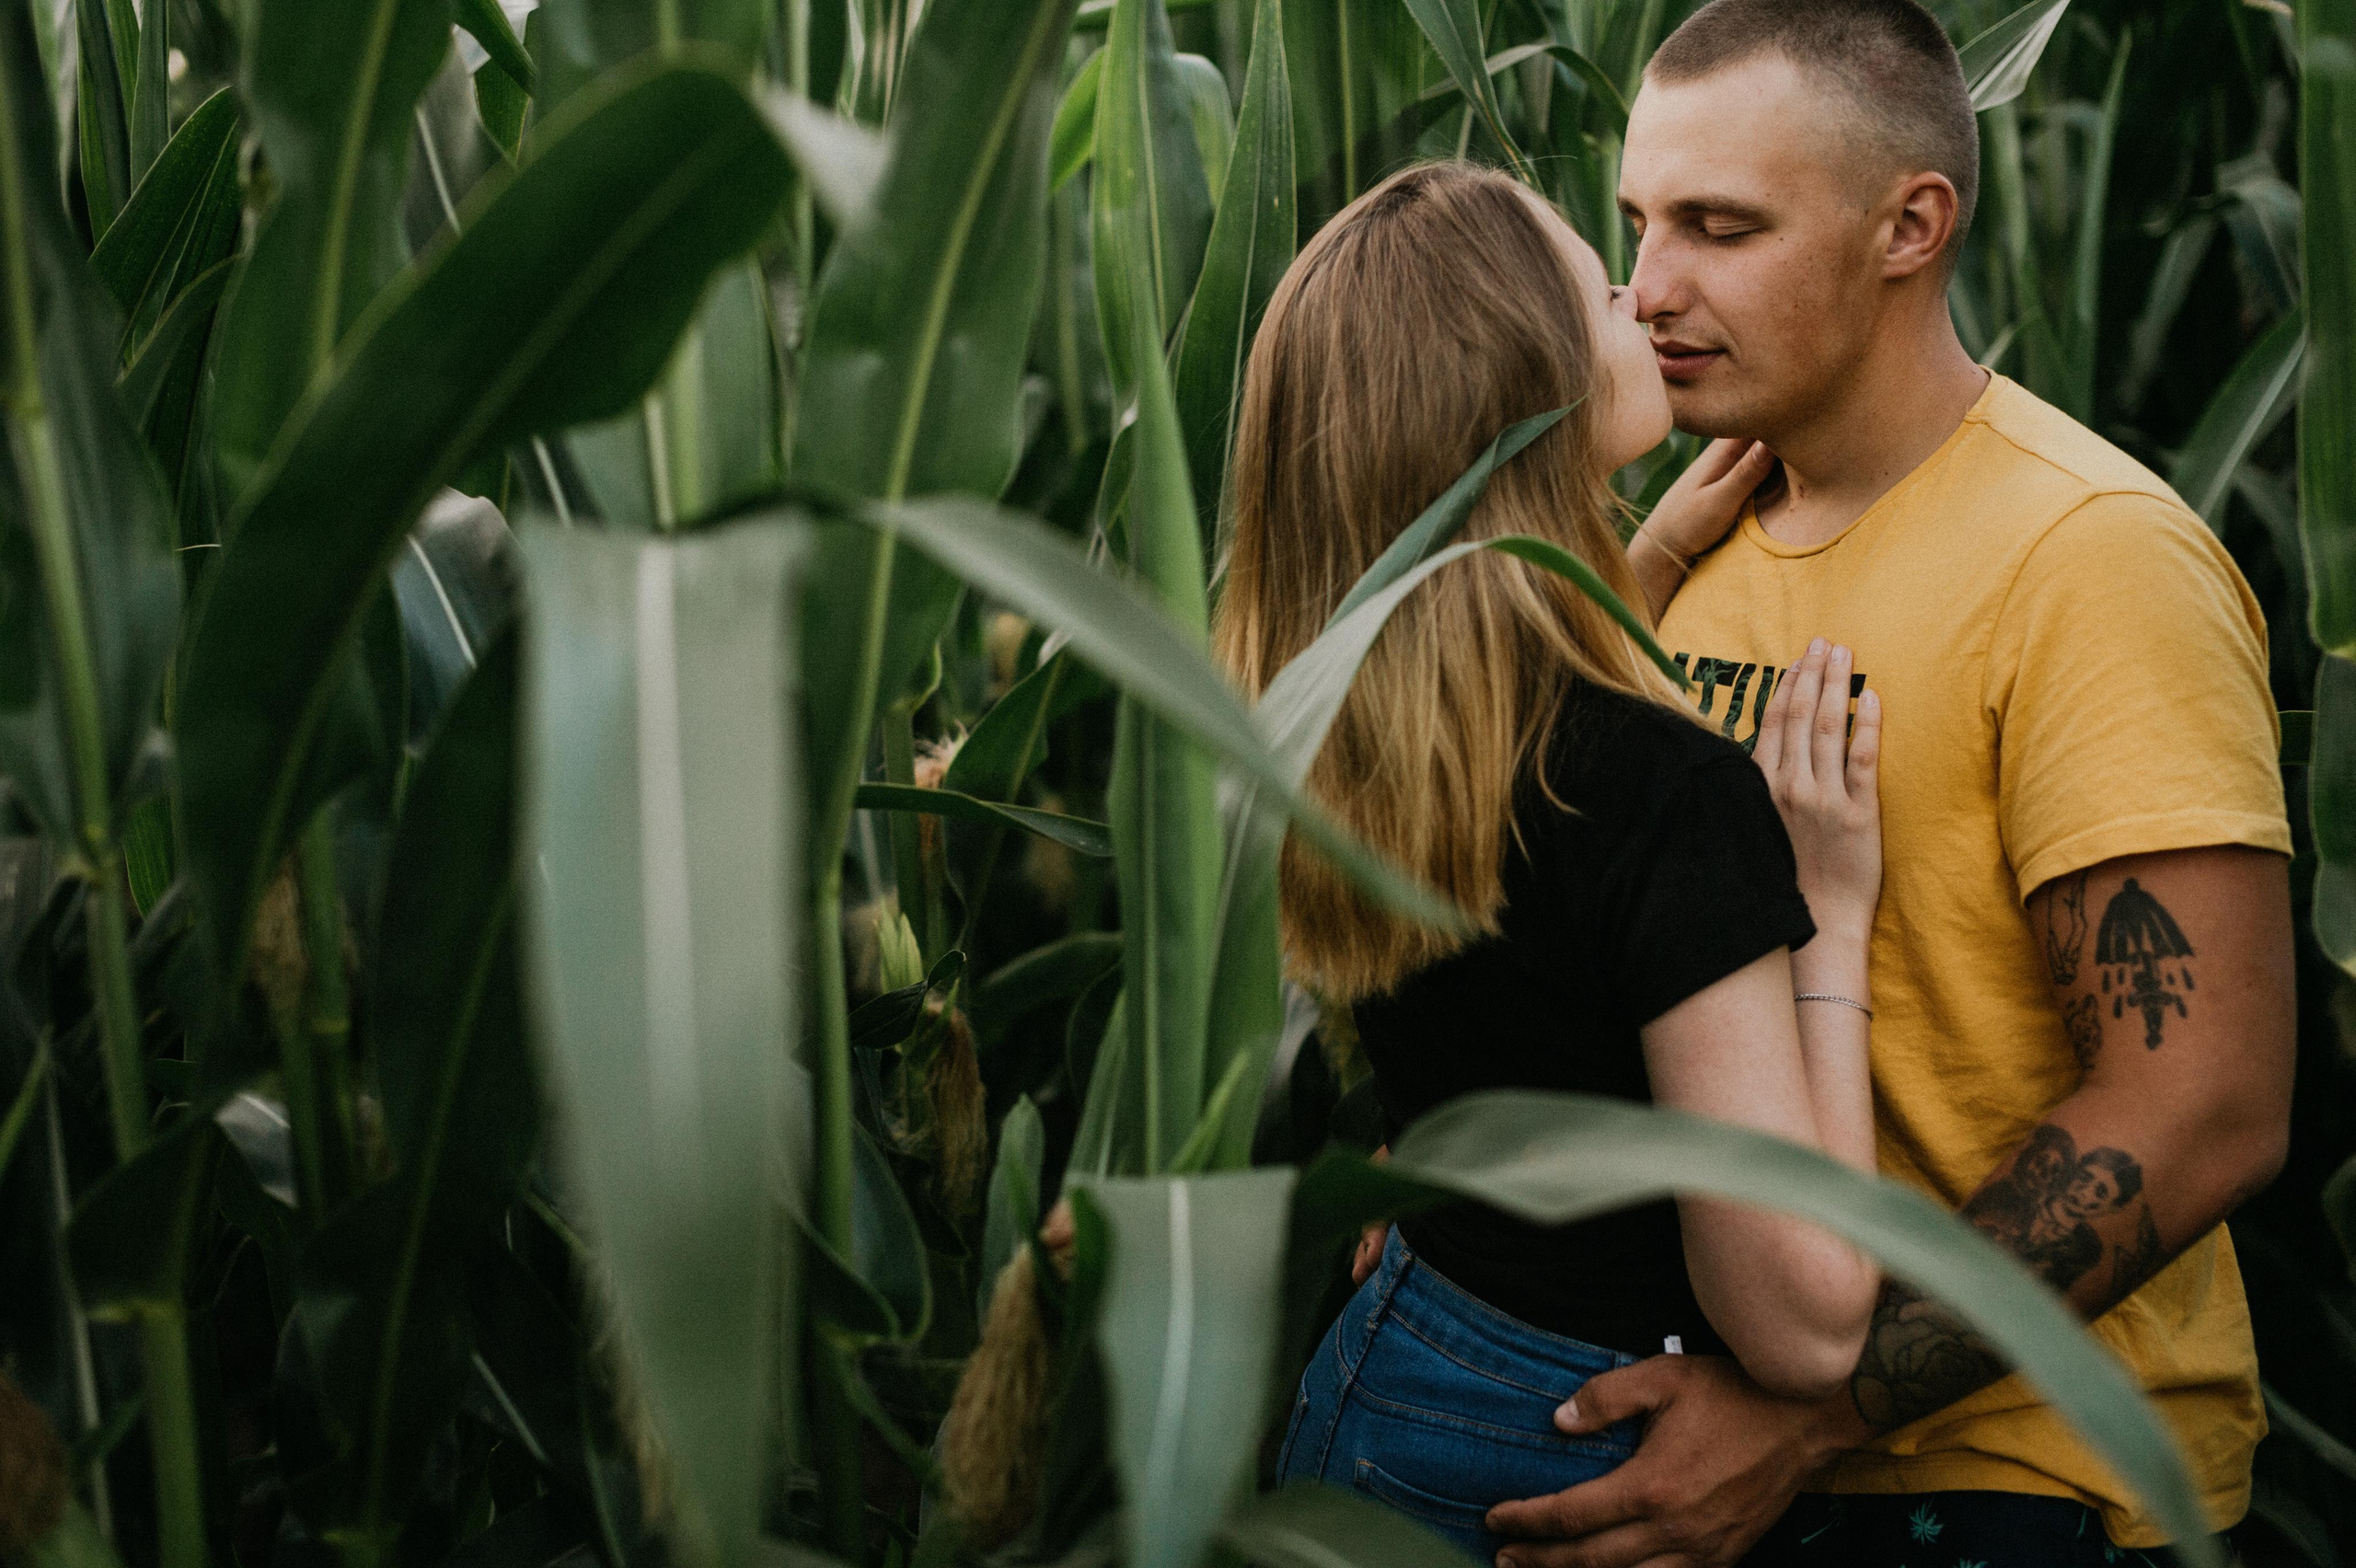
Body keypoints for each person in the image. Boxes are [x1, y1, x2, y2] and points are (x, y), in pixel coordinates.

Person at [1484, 2, 2295, 1564]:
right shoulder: (1696, 546)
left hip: (2019, 1482)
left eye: (1723, 228)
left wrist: (1815, 1414)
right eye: (1640, 225)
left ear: (1910, 228)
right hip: (1698, 1440)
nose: (1651, 289)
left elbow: (2203, 1106)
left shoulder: (2090, 560)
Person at [1210, 159, 1888, 1559]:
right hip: (1556, 1446)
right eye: (1598, 291)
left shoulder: (1335, 728)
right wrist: (1824, 907)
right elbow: (1805, 1323)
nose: (1641, 293)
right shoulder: (1670, 799)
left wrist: (1642, 550)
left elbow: (1504, 718)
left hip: (1388, 1374)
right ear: (1524, 396)